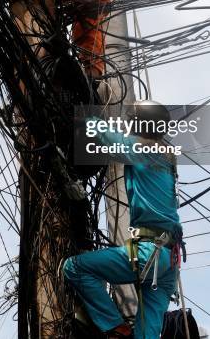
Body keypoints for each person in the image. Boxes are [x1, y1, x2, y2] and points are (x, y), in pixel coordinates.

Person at [63, 101, 183, 339]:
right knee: (146, 333)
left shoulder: (143, 150)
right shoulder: (166, 156)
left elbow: (106, 136)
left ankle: (116, 327)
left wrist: (80, 115)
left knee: (75, 267)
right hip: (170, 261)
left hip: (151, 252)